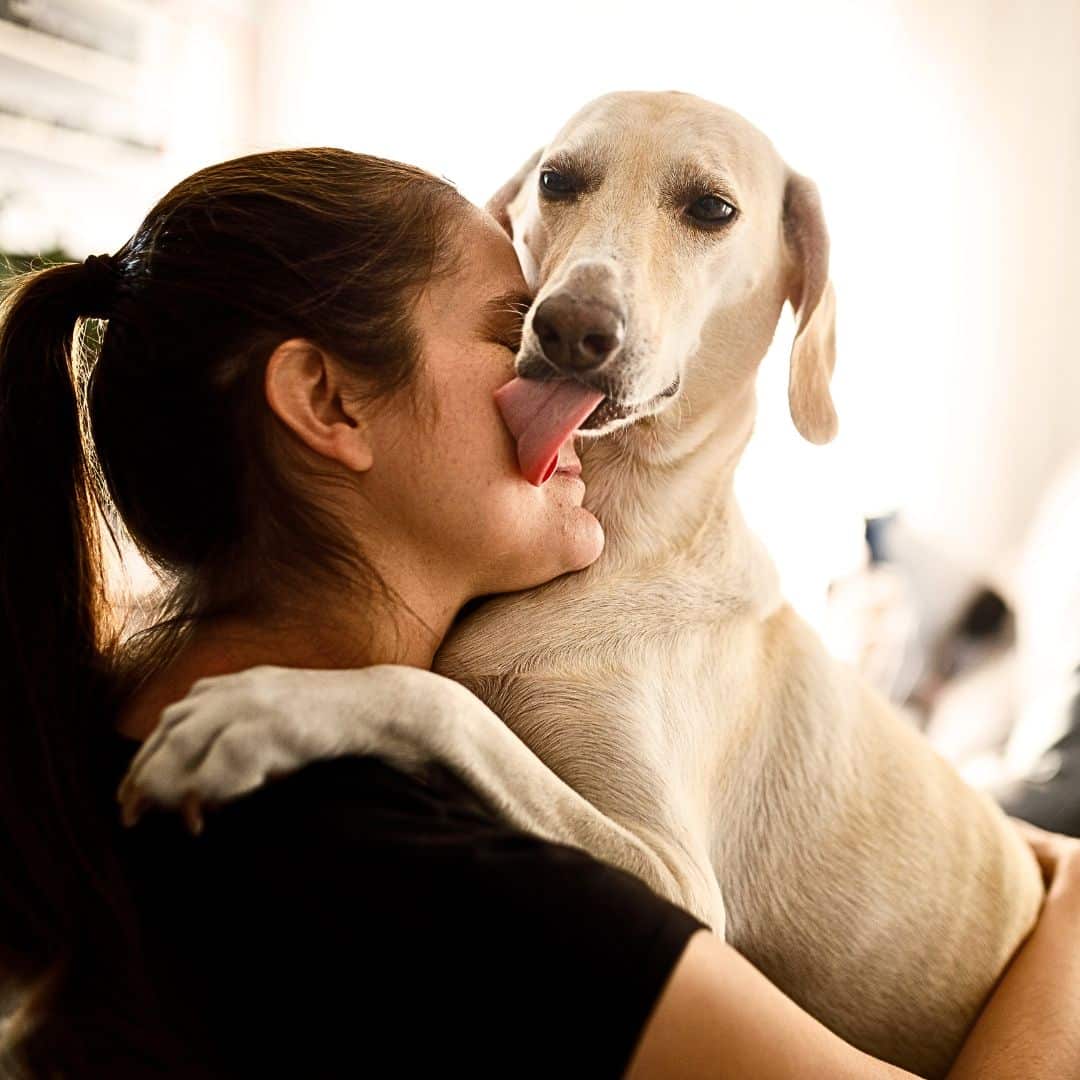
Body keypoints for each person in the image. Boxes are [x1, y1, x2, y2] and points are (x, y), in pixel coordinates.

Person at [0, 148, 1078, 1079]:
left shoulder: (105, 720)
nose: (576, 365)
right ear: (329, 404)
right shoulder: (407, 853)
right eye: (519, 326)